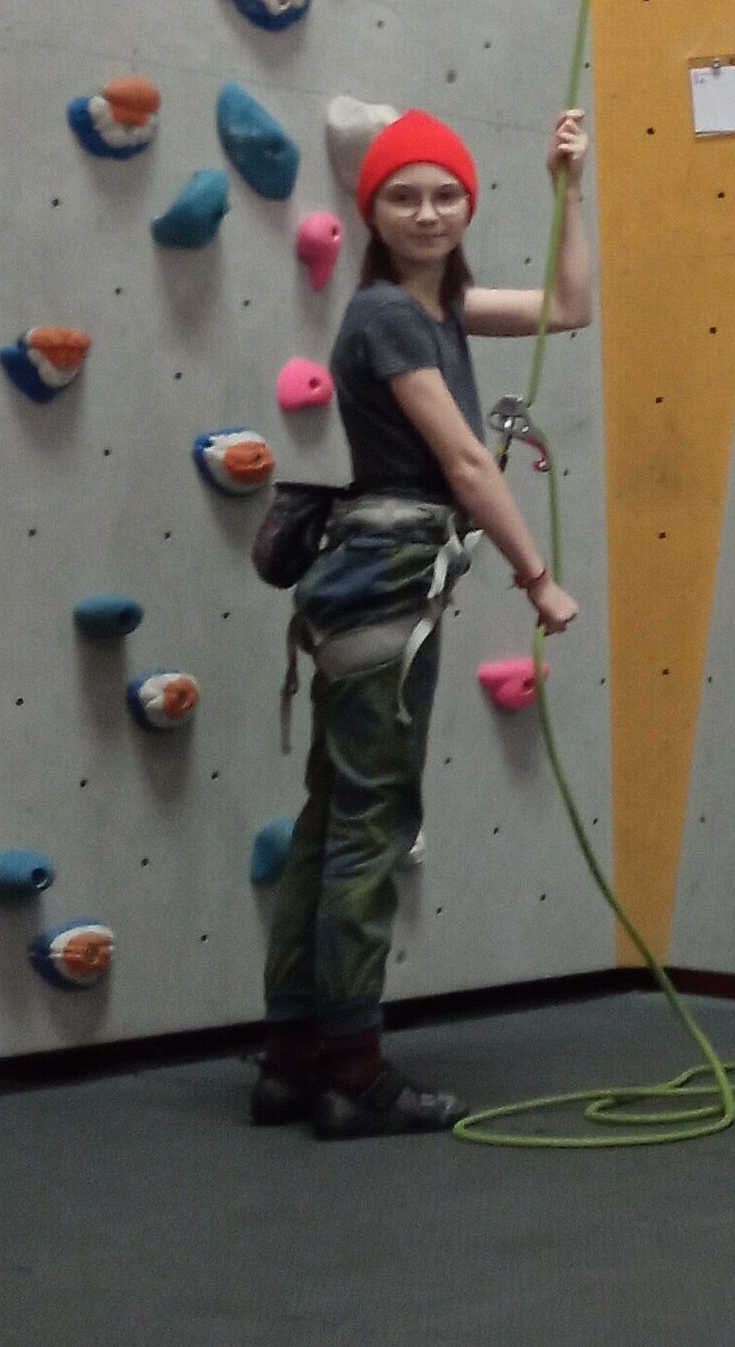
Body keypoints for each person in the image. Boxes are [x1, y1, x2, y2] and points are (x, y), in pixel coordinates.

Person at [252, 107, 595, 1139]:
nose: (428, 212)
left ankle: (293, 1061)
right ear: (372, 215)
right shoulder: (387, 317)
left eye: (446, 195)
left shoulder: (435, 306)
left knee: (332, 817)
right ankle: (352, 1074)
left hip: (373, 579)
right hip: (387, 584)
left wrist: (569, 190)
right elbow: (466, 462)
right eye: (403, 197)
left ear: (468, 207)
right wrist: (538, 577)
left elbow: (571, 307)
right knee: (370, 823)